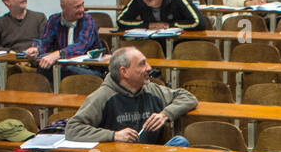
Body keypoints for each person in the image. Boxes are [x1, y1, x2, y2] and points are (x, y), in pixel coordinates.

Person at [65, 47, 198, 145]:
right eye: (142, 64)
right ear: (124, 71)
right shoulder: (102, 96)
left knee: (180, 142)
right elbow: (73, 129)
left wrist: (165, 114)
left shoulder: (150, 89)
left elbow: (188, 97)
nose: (149, 68)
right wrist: (113, 135)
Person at [35, 0, 101, 78]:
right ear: (63, 7)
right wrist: (36, 50)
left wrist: (58, 54)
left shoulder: (87, 20)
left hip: (88, 68)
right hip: (62, 66)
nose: (82, 9)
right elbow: (45, 43)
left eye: (82, 5)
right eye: (77, 7)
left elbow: (81, 46)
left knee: (65, 70)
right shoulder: (54, 20)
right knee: (42, 68)